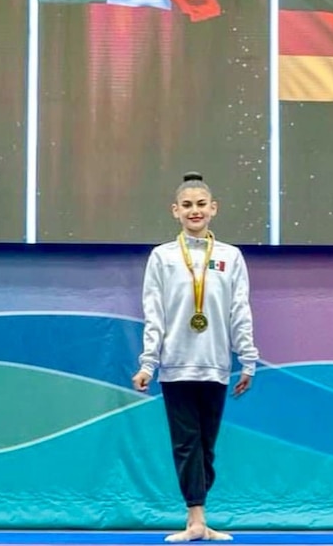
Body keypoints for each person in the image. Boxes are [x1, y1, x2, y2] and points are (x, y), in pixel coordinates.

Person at [132, 171, 260, 543]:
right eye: (187, 205)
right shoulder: (163, 257)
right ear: (175, 211)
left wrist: (248, 360)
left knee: (206, 446)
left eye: (201, 204)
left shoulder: (230, 257)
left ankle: (200, 516)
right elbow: (153, 313)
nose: (194, 210)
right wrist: (147, 363)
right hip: (175, 364)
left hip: (216, 364)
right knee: (186, 443)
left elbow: (240, 310)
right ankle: (195, 519)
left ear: (213, 209)